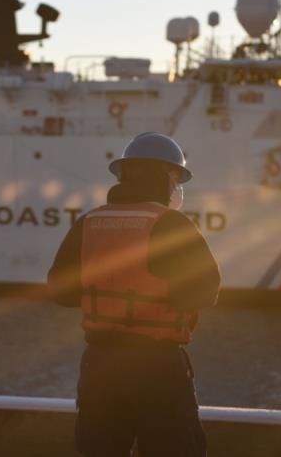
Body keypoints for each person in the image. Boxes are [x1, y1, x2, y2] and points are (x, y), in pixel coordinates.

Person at [48, 132, 221, 457]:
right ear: (162, 178)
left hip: (100, 366)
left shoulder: (88, 222)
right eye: (174, 178)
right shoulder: (171, 224)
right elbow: (205, 291)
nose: (176, 187)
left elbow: (60, 291)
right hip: (157, 366)